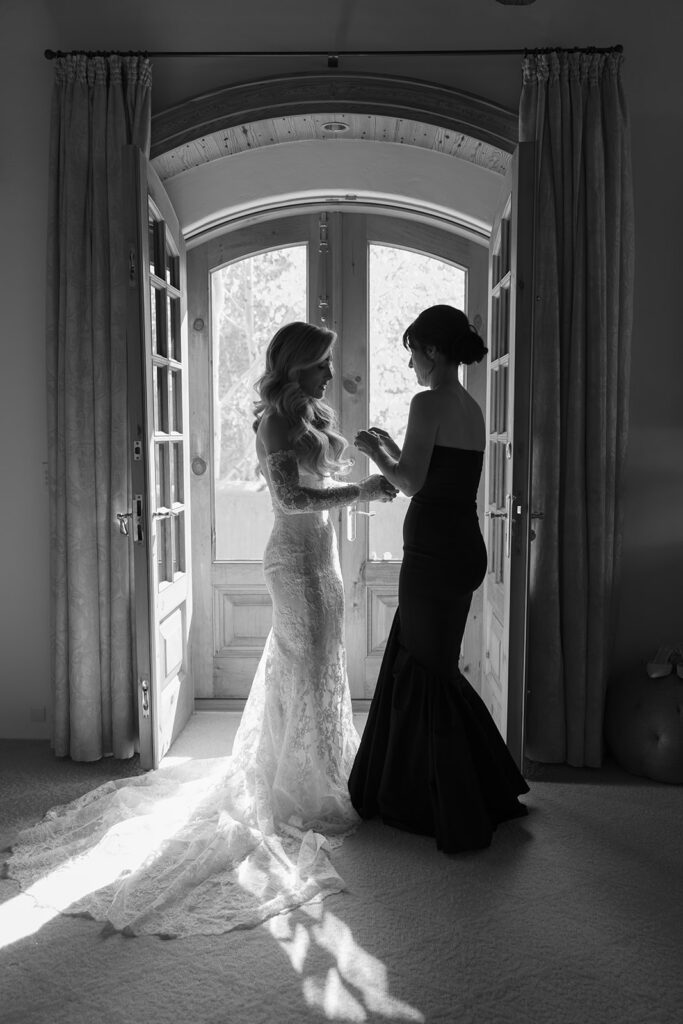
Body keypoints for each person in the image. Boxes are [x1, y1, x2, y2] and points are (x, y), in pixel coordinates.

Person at [6, 322, 396, 937]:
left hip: (321, 557)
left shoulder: (309, 416)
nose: (329, 372)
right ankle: (297, 787)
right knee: (305, 661)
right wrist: (362, 490)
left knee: (321, 663)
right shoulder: (275, 422)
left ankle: (317, 769)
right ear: (295, 367)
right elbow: (291, 500)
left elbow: (322, 477)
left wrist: (374, 467)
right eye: (321, 363)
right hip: (293, 560)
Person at [348, 305, 529, 852]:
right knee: (436, 668)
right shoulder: (470, 407)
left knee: (428, 672)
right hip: (461, 547)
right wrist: (392, 449)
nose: (411, 366)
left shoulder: (427, 403)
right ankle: (480, 782)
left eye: (413, 353)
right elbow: (434, 474)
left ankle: (450, 803)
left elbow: (409, 482)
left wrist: (373, 450)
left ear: (432, 350)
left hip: (433, 554)